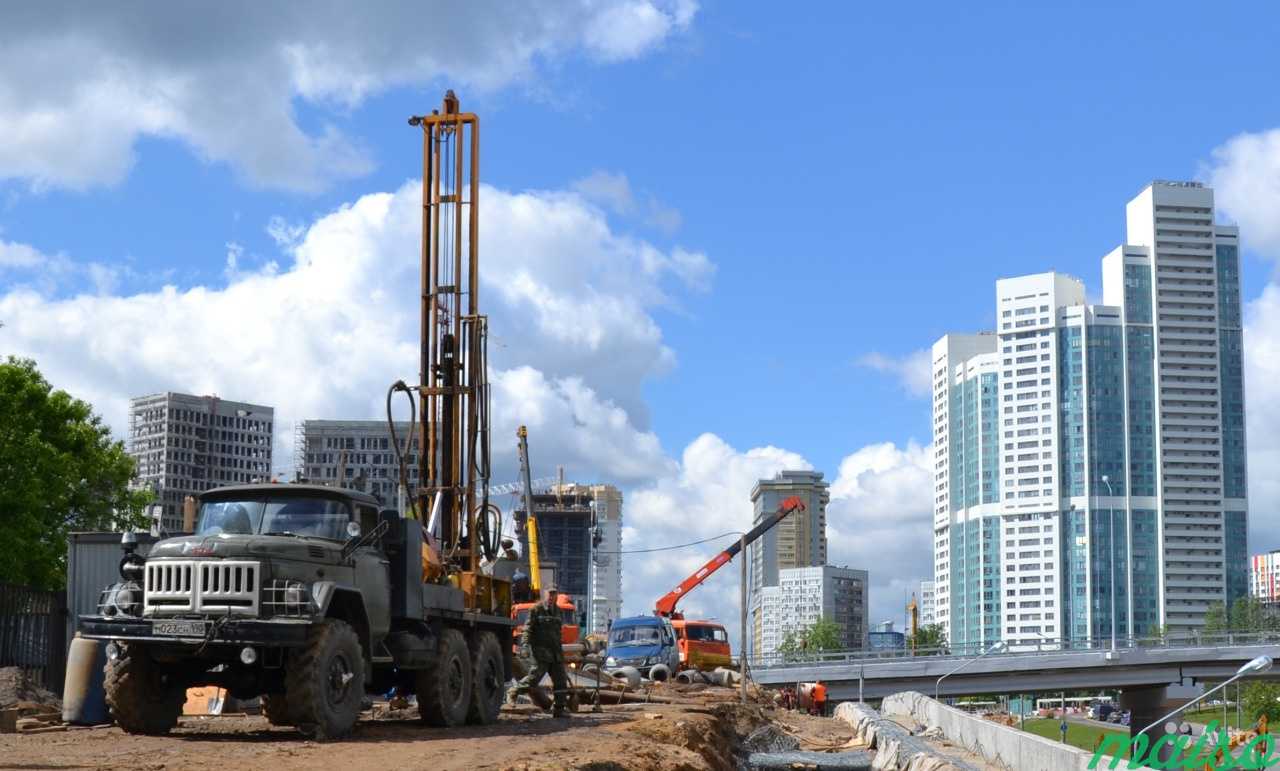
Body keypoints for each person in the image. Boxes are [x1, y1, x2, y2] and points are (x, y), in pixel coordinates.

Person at [507, 586, 570, 717]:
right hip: (541, 652)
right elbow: (527, 629)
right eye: (550, 594)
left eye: (554, 594)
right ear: (544, 595)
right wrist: (524, 645)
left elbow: (558, 632)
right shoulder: (536, 609)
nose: (552, 597)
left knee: (561, 682)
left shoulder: (558, 611)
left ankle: (559, 709)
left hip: (556, 653)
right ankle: (514, 691)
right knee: (534, 679)